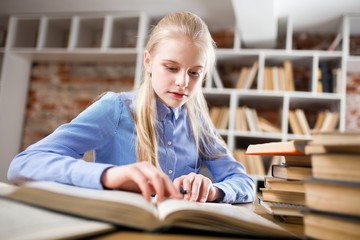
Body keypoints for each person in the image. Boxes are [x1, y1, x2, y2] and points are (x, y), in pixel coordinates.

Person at [7, 11, 255, 204]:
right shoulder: (115, 109)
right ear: (148, 61)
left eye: (194, 73)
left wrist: (214, 190)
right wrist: (109, 176)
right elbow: (24, 165)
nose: (183, 82)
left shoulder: (199, 123)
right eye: (171, 68)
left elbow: (244, 182)